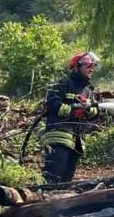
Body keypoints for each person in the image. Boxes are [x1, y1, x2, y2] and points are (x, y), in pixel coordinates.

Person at [41, 51, 103, 183]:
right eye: (88, 66)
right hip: (59, 136)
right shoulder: (63, 84)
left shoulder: (88, 90)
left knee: (67, 177)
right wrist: (73, 111)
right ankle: (44, 198)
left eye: (93, 67)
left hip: (77, 141)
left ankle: (61, 201)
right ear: (76, 67)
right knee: (54, 173)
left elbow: (96, 111)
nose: (91, 70)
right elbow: (52, 105)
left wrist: (87, 110)